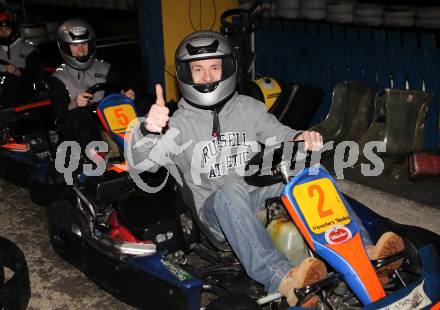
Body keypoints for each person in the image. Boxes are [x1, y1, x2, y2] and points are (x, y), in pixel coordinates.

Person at [130, 31, 404, 307]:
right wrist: (147, 130)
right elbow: (144, 162)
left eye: (214, 67)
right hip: (216, 214)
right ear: (184, 75)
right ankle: (283, 278)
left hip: (258, 196)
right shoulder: (178, 124)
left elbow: (281, 134)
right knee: (231, 190)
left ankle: (365, 255)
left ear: (228, 68)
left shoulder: (248, 108)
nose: (207, 77)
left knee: (309, 176)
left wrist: (300, 139)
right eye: (198, 70)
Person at [49, 18, 134, 161]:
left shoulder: (105, 68)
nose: (81, 49)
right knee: (77, 115)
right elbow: (58, 114)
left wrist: (125, 97)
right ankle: (99, 159)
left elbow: (114, 96)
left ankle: (138, 150)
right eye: (75, 45)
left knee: (138, 104)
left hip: (104, 118)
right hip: (75, 126)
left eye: (84, 44)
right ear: (64, 47)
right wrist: (73, 104)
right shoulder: (59, 77)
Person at [0, 9, 42, 108]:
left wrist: (18, 72)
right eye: (0, 29)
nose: (3, 32)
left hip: (22, 98)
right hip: (3, 94)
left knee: (11, 81)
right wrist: (4, 68)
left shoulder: (28, 50)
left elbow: (34, 77)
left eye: (7, 28)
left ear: (13, 28)